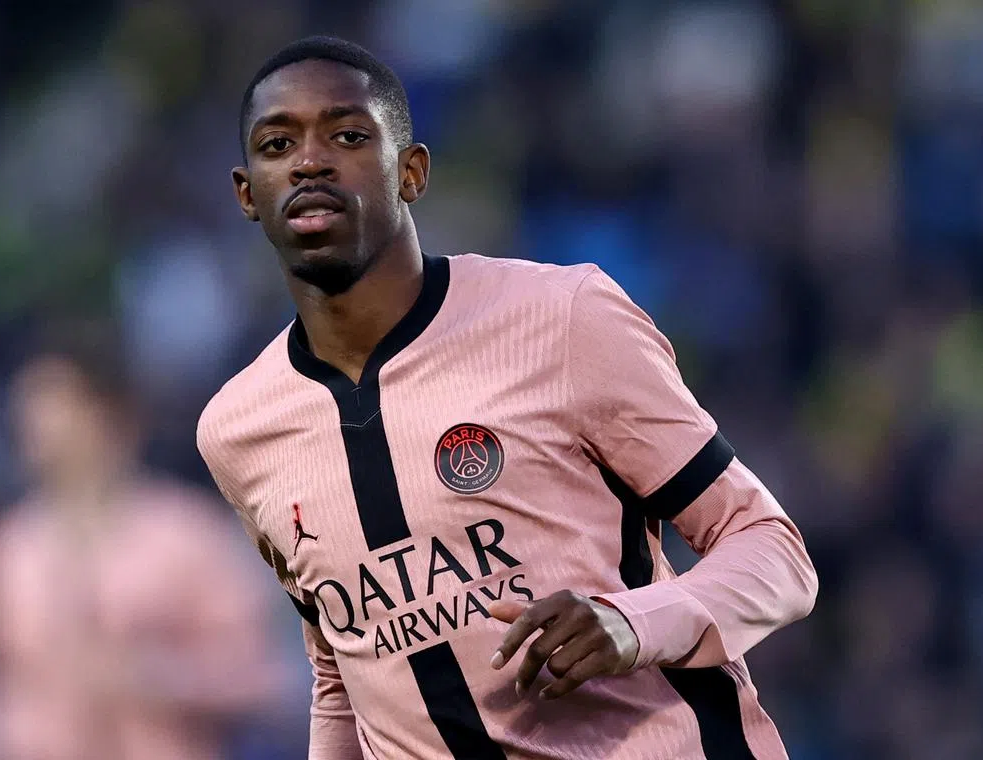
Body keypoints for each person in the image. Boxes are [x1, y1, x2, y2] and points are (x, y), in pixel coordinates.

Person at [197, 35, 818, 760]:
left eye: (347, 135)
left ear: (412, 172)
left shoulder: (562, 317)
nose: (309, 161)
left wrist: (632, 622)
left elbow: (776, 555)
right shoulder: (239, 432)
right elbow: (343, 672)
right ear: (248, 194)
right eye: (278, 145)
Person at [0, 329, 283, 760]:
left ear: (110, 415)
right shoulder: (8, 549)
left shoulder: (187, 532)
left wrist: (154, 678)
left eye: (55, 405)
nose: (37, 424)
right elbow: (0, 683)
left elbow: (259, 673)